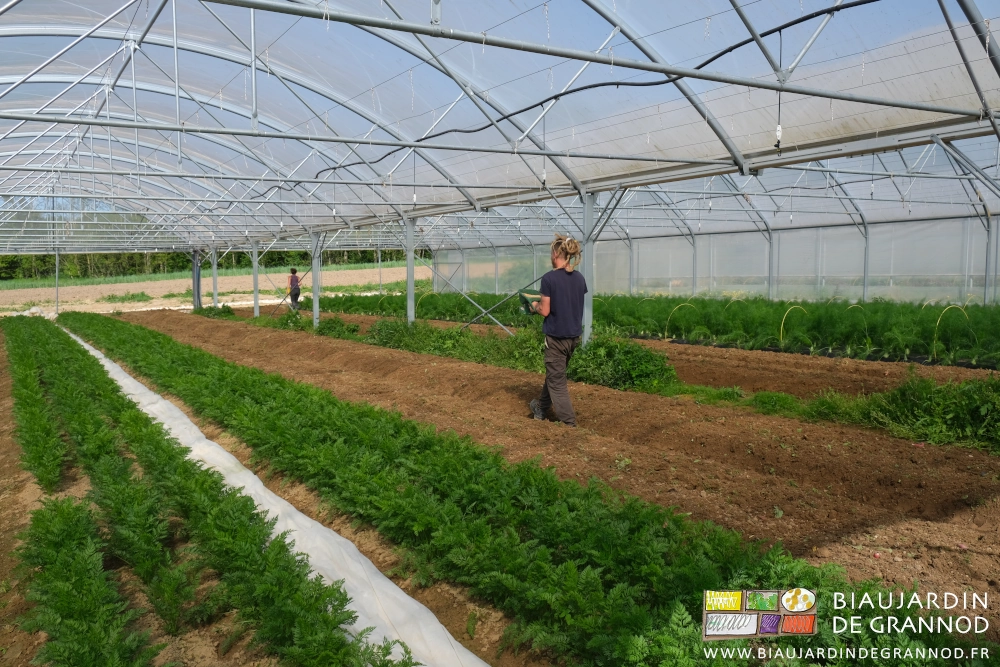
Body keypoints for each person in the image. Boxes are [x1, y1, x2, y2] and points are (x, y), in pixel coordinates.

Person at [529, 235, 587, 427]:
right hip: (573, 337)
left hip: (556, 338)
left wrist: (534, 306)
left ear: (555, 254)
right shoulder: (579, 278)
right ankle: (541, 408)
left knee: (557, 381)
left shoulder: (549, 278)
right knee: (555, 374)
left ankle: (569, 424)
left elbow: (545, 310)